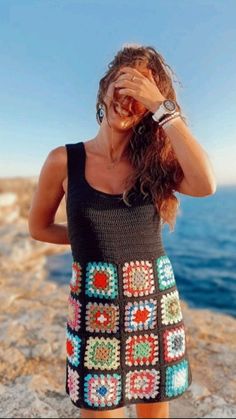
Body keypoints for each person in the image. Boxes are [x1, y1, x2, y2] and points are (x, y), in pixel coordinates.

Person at [28, 43, 216, 419]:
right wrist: (90, 235)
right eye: (124, 83)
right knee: (98, 410)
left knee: (154, 412)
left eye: (141, 92)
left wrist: (164, 108)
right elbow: (39, 227)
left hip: (153, 306)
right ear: (104, 87)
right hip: (93, 307)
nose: (128, 98)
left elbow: (206, 183)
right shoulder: (63, 160)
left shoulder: (155, 163)